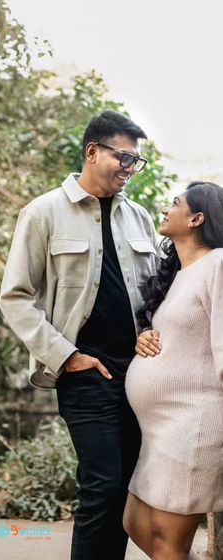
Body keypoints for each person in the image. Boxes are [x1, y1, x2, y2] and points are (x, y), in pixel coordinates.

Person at [0, 110, 159, 560]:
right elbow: (15, 297)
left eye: (136, 162)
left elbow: (153, 296)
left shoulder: (141, 219)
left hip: (139, 375)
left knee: (125, 490)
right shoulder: (43, 212)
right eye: (124, 158)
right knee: (102, 487)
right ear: (93, 152)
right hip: (84, 371)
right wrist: (67, 357)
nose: (130, 169)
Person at [124, 181, 223, 560]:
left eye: (175, 203)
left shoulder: (217, 264)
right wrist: (144, 340)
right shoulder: (181, 273)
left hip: (194, 425)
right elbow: (181, 339)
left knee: (169, 542)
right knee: (133, 522)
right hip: (159, 430)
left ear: (197, 218)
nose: (166, 209)